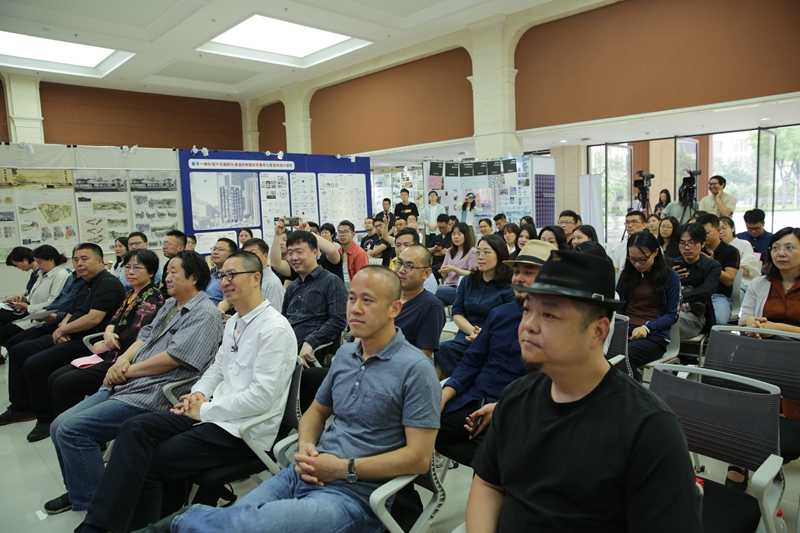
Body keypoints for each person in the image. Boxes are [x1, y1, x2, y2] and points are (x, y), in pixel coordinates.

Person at [145, 266, 441, 533]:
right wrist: (306, 445)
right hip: (305, 471)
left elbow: (418, 459)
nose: (355, 309)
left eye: (367, 300)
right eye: (351, 298)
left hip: (356, 496)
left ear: (394, 309)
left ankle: (177, 522)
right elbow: (316, 411)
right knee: (239, 518)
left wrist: (341, 468)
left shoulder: (415, 369)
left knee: (247, 524)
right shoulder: (346, 355)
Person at [466, 250, 702, 532]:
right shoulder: (515, 397)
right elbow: (488, 484)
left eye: (549, 314)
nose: (528, 326)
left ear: (598, 331)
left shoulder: (648, 429)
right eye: (527, 310)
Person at [75, 252, 296, 533]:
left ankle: (135, 527)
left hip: (243, 430)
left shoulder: (274, 329)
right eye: (222, 275)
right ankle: (99, 523)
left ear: (255, 278)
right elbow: (217, 368)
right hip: (214, 414)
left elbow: (261, 398)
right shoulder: (235, 321)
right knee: (135, 429)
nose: (224, 282)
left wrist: (204, 409)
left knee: (153, 461)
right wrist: (198, 393)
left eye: (232, 275)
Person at [44, 250, 224, 516]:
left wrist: (128, 372)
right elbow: (144, 337)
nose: (167, 277)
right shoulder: (170, 306)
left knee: (74, 431)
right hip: (129, 382)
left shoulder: (204, 313)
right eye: (167, 272)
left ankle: (98, 506)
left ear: (194, 278)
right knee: (58, 425)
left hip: (154, 391)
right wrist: (122, 361)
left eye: (174, 272)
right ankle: (80, 490)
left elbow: (174, 358)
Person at [436, 240, 554, 467]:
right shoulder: (500, 314)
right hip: (472, 399)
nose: (518, 278)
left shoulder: (557, 325)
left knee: (489, 458)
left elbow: (548, 386)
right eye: (516, 272)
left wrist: (501, 408)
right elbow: (472, 360)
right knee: (412, 428)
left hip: (514, 411)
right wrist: (445, 394)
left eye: (529, 272)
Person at [0, 243, 126, 441]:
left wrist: (63, 330)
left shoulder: (108, 283)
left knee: (35, 364)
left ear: (100, 260)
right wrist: (62, 329)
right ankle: (21, 407)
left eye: (84, 259)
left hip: (88, 341)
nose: (79, 264)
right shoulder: (84, 283)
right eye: (76, 260)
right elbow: (70, 312)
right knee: (18, 351)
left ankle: (46, 419)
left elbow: (93, 318)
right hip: (70, 334)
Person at [48, 249, 164, 420]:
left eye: (137, 267)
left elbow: (137, 331)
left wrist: (106, 344)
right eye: (127, 267)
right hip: (110, 351)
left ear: (151, 272)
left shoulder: (152, 296)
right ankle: (62, 424)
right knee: (54, 376)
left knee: (64, 383)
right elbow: (114, 319)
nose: (130, 272)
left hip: (124, 357)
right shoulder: (131, 293)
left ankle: (77, 427)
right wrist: (108, 333)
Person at [435, 234, 514, 378]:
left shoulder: (508, 287)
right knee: (443, 349)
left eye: (486, 252)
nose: (480, 257)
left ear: (500, 254)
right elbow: (457, 314)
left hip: (493, 339)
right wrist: (473, 331)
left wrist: (483, 336)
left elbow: (508, 323)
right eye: (478, 252)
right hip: (467, 334)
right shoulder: (468, 281)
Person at [615, 232, 681, 374]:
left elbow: (672, 315)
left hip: (654, 336)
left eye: (643, 259)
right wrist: (621, 327)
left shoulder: (670, 277)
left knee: (625, 357)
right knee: (598, 352)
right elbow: (619, 307)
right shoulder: (627, 275)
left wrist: (647, 328)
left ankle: (632, 389)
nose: (637, 264)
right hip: (626, 332)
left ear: (655, 252)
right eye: (633, 259)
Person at [282, 230, 347, 367]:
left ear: (315, 253)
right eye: (290, 253)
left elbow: (339, 319)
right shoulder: (292, 287)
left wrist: (311, 341)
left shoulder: (331, 281)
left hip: (313, 354)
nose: (294, 258)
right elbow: (284, 321)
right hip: (286, 352)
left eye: (299, 252)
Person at [0, 244, 71, 348]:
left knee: (11, 342)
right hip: (32, 315)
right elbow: (33, 293)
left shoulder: (60, 275)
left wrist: (28, 307)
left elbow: (53, 303)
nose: (38, 266)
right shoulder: (42, 273)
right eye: (37, 262)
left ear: (51, 260)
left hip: (42, 318)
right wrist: (25, 298)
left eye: (40, 262)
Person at [740, 227, 800, 337]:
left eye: (789, 247)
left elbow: (772, 328)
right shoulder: (758, 284)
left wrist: (776, 329)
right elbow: (742, 323)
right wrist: (750, 322)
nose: (781, 253)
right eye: (775, 248)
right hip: (764, 345)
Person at [673, 223, 722, 339]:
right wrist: (671, 278)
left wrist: (680, 297)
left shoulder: (712, 266)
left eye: (692, 243)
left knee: (668, 318)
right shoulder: (671, 265)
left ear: (703, 243)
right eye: (682, 243)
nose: (686, 247)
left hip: (696, 315)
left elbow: (707, 290)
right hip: (672, 310)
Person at [697, 214, 740, 325]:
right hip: (697, 294)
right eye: (700, 234)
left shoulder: (731, 251)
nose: (703, 237)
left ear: (718, 230)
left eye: (707, 233)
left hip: (719, 296)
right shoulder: (696, 248)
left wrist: (712, 265)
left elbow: (729, 280)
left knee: (718, 322)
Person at [232, 238, 285, 310]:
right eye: (245, 255)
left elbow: (276, 313)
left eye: (253, 254)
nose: (249, 258)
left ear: (265, 256)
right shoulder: (246, 278)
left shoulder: (273, 283)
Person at [719, 216, 761, 299]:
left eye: (724, 228)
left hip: (742, 284)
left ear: (733, 228)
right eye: (718, 229)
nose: (721, 232)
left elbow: (746, 272)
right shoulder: (715, 247)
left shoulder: (744, 244)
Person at [436, 222, 477, 305]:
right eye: (453, 234)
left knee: (434, 290)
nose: (456, 237)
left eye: (459, 234)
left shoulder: (472, 251)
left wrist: (453, 269)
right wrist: (444, 271)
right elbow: (444, 276)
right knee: (435, 303)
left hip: (461, 288)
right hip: (447, 286)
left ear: (466, 235)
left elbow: (473, 273)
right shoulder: (449, 251)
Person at [205, 238, 237, 306]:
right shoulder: (210, 273)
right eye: (214, 249)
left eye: (221, 249)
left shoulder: (230, 276)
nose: (215, 252)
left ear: (231, 254)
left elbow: (228, 303)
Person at [337, 220, 369, 285]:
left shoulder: (360, 253)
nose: (342, 235)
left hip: (353, 287)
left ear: (353, 234)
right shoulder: (338, 252)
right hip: (338, 285)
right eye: (340, 232)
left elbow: (362, 277)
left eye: (345, 232)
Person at [159, 230, 186, 296]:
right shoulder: (168, 263)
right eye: (164, 244)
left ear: (180, 248)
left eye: (168, 244)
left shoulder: (186, 264)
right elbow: (163, 285)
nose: (164, 247)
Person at [427, 214, 453, 280]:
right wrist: (434, 249)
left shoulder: (452, 237)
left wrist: (433, 252)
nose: (441, 230)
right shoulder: (437, 237)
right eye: (439, 227)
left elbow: (445, 252)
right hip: (434, 263)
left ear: (449, 224)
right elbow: (426, 251)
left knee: (429, 272)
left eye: (443, 227)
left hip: (446, 264)